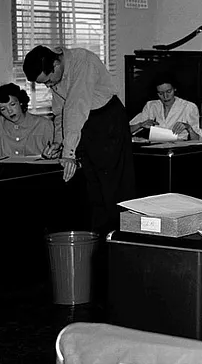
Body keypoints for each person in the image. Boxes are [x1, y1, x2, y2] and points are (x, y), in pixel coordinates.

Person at [22, 45, 135, 235]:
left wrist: (69, 154)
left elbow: (75, 108)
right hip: (84, 125)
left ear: (56, 64)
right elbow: (61, 114)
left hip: (108, 121)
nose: (49, 86)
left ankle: (121, 243)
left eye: (48, 81)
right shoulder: (57, 74)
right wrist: (58, 143)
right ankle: (97, 246)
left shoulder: (82, 62)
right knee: (93, 191)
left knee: (114, 191)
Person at [129, 73, 202, 140]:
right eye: (161, 93)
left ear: (175, 89)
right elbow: (125, 130)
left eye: (169, 92)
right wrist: (140, 125)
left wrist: (189, 128)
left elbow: (198, 139)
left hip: (179, 148)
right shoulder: (151, 106)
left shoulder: (188, 107)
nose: (165, 96)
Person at [0, 83, 54, 157]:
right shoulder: (1, 125)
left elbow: (57, 153)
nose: (9, 111)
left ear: (21, 102)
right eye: (3, 109)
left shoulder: (44, 125)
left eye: (13, 104)